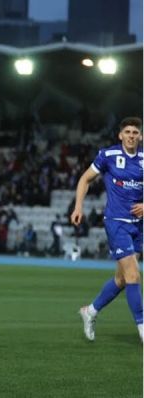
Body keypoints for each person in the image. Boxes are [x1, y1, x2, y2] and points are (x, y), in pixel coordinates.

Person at [73, 117, 143, 341]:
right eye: (128, 132)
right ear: (120, 135)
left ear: (140, 136)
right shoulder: (108, 155)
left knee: (122, 279)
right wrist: (78, 207)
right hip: (116, 222)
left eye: (135, 132)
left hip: (139, 226)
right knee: (134, 274)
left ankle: (90, 311)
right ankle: (143, 328)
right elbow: (85, 179)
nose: (132, 136)